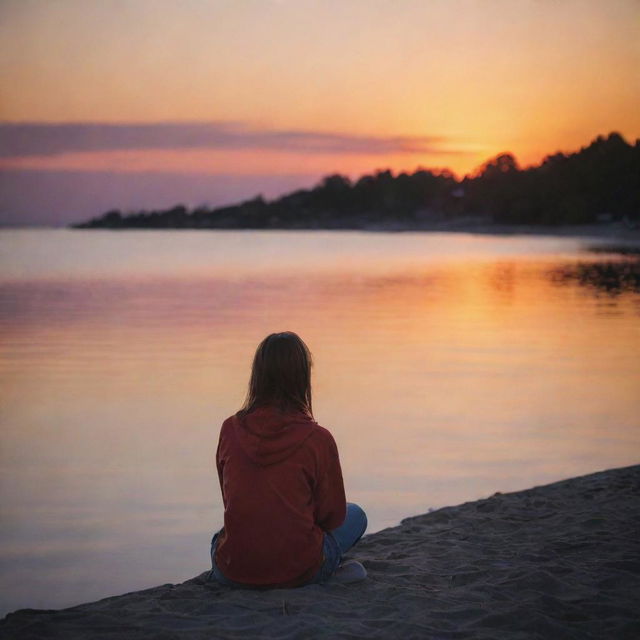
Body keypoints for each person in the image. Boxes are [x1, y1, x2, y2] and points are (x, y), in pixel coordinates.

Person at [210, 331, 367, 588]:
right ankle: (328, 575)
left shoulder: (229, 429)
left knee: (223, 536)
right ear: (303, 378)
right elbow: (333, 517)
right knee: (356, 515)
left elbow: (231, 500)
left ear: (257, 376)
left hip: (232, 572)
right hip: (297, 569)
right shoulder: (318, 438)